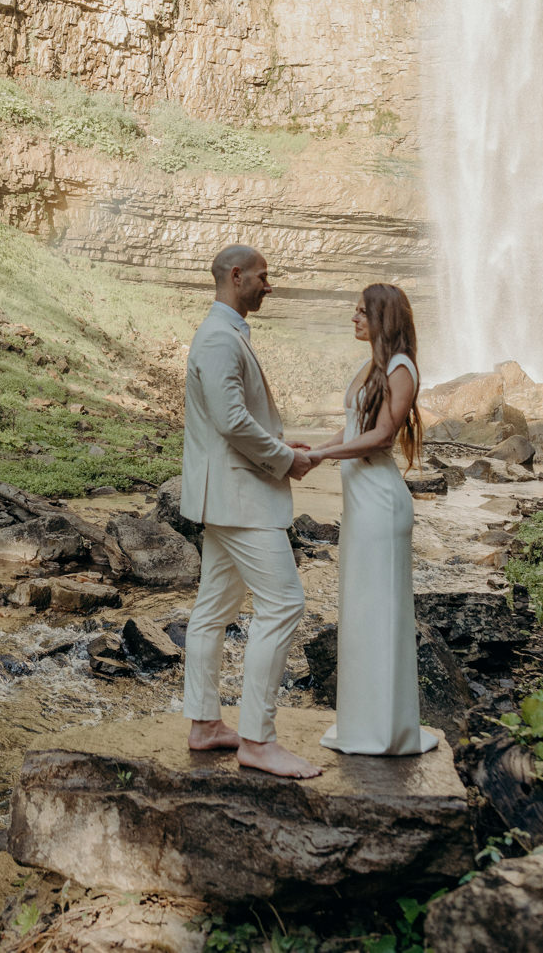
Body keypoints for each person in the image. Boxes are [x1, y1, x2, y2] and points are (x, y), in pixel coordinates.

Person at [180, 244, 321, 779]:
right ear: (235, 276)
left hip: (227, 495)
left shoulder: (226, 331)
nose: (270, 284)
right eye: (263, 276)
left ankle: (205, 724)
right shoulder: (219, 337)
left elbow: (239, 419)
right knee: (284, 604)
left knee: (214, 608)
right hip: (240, 499)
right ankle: (258, 740)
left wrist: (282, 444)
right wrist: (284, 459)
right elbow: (232, 421)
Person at [307, 282, 438, 756]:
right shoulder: (371, 366)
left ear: (383, 318)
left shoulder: (402, 368)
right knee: (361, 611)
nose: (354, 317)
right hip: (360, 506)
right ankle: (362, 723)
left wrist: (322, 456)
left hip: (382, 505)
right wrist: (314, 447)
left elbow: (382, 437)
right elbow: (353, 424)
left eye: (362, 312)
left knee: (381, 613)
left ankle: (388, 731)